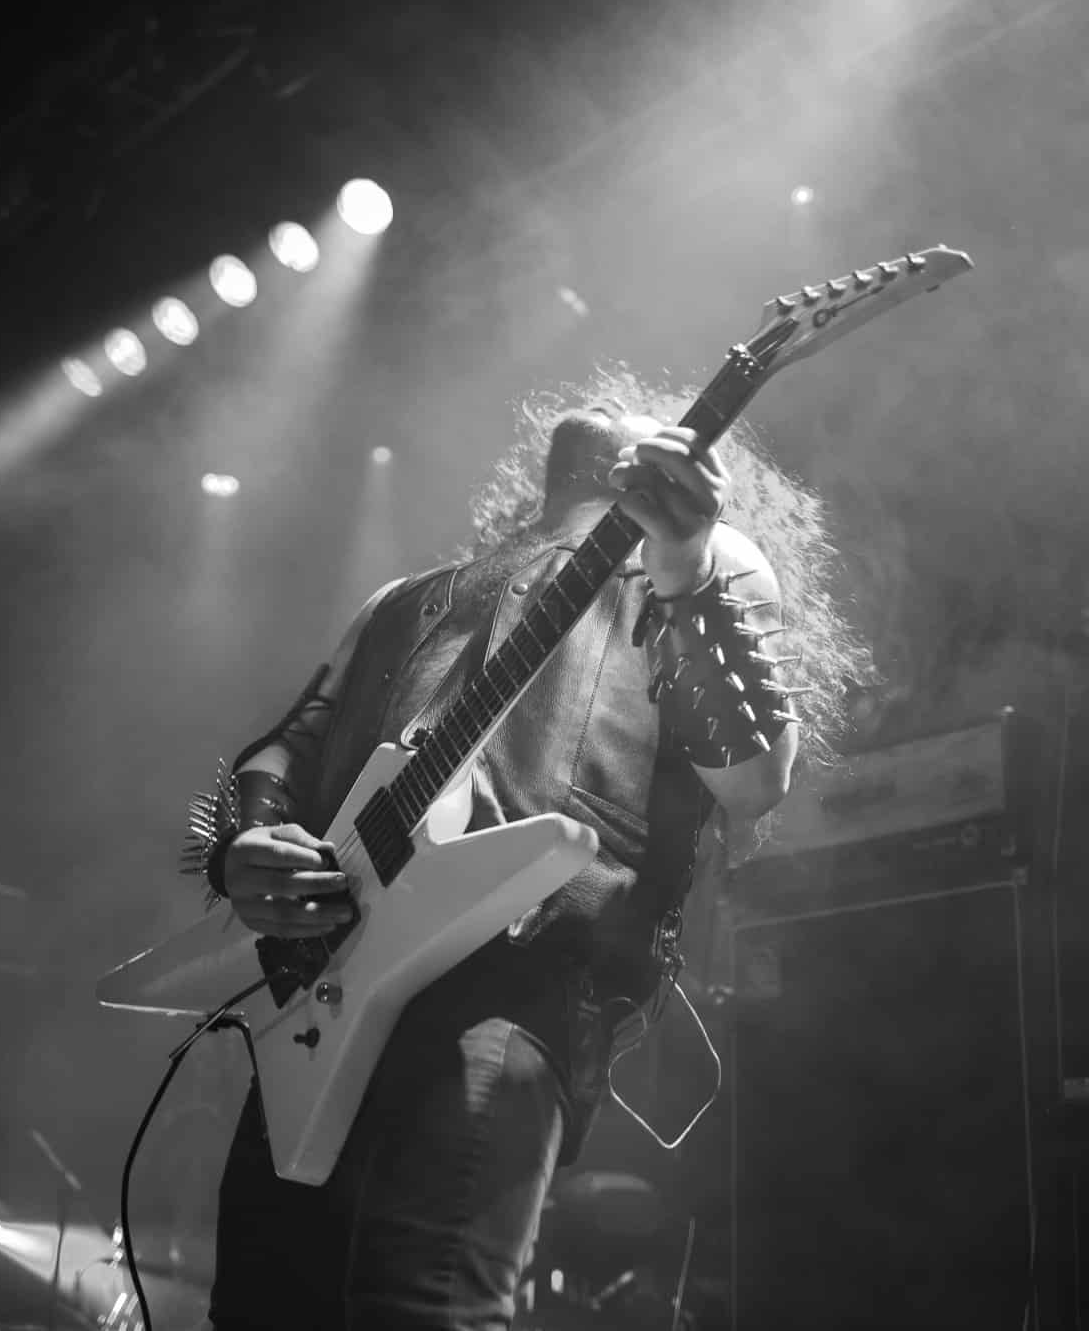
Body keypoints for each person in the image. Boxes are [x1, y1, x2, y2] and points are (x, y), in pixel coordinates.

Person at [198, 370, 869, 1330]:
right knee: (260, 1308)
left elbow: (756, 780)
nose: (609, 399)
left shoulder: (700, 561)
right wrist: (246, 839)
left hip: (517, 984)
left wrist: (685, 562)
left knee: (423, 1304)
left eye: (638, 412)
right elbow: (287, 745)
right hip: (322, 990)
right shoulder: (407, 600)